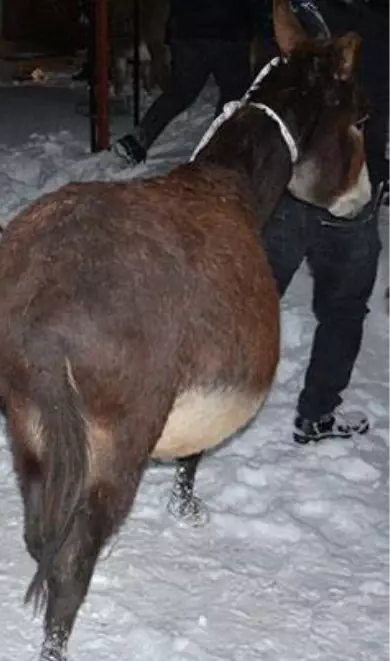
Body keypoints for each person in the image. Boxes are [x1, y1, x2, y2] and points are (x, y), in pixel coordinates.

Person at [259, 0, 389, 444]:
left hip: (291, 186)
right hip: (350, 193)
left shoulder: (302, 14)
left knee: (254, 296)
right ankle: (316, 415)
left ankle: (203, 392)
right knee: (343, 309)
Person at [112, 0, 258, 164]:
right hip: (230, 29)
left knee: (181, 91)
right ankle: (218, 148)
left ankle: (138, 140)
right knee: (234, 93)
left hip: (187, 28)